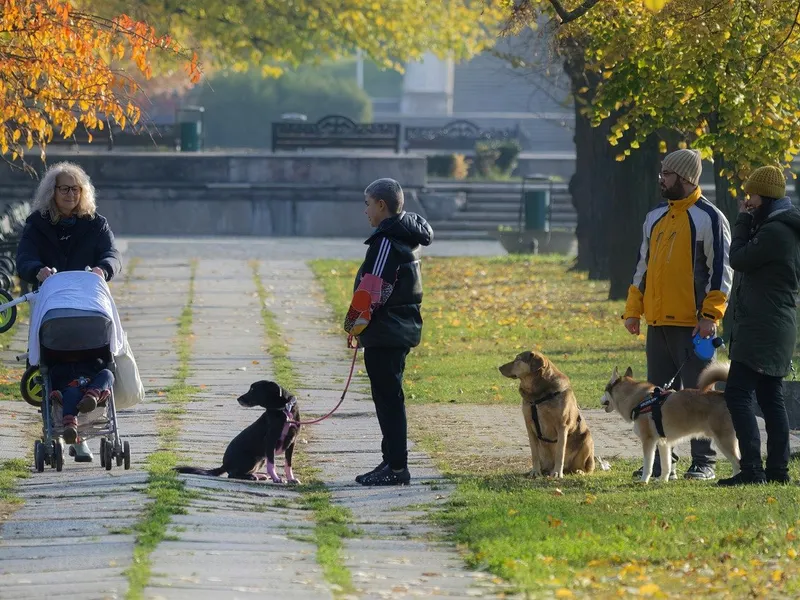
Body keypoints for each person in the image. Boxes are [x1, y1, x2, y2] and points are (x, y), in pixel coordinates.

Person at [623, 148, 733, 481]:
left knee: (700, 398)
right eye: (661, 173)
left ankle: (704, 463)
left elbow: (721, 271)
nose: (661, 179)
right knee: (655, 399)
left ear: (685, 178)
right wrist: (633, 310)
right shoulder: (654, 216)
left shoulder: (710, 218)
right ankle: (657, 466)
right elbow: (643, 267)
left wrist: (710, 315)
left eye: (667, 175)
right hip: (657, 324)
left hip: (694, 326)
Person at [16, 161, 122, 462]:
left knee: (95, 367)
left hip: (88, 308)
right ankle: (66, 436)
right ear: (52, 192)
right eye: (64, 189)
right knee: (54, 372)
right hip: (54, 308)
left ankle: (81, 435)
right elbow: (24, 256)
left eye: (76, 189)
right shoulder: (37, 224)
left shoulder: (95, 223)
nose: (70, 195)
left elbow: (112, 253)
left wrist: (104, 268)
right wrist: (37, 270)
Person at [344, 178, 433, 486]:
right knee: (389, 398)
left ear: (381, 205)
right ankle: (391, 462)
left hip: (387, 332)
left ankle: (396, 468)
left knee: (389, 400)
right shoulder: (405, 236)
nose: (365, 210)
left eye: (368, 203)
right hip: (397, 329)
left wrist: (354, 325)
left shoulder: (385, 242)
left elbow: (371, 289)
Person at [718, 166, 800, 486]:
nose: (747, 201)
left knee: (738, 393)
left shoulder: (776, 231)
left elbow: (738, 258)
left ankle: (752, 468)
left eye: (751, 196)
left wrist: (741, 220)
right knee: (770, 396)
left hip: (763, 326)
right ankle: (778, 470)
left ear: (764, 196)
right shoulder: (778, 226)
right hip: (773, 324)